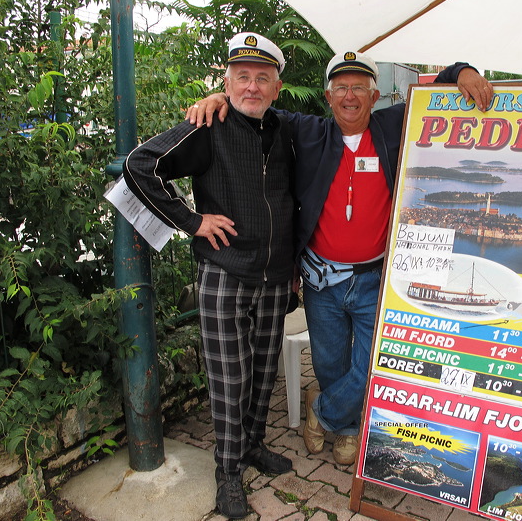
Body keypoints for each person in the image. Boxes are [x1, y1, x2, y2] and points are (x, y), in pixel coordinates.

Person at [187, 52, 493, 466]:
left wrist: (464, 71)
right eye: (341, 88)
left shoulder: (392, 125)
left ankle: (324, 412)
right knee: (331, 361)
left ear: (375, 95)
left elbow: (438, 86)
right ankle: (348, 429)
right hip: (320, 279)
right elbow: (252, 101)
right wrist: (215, 98)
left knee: (373, 364)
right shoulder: (306, 131)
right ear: (328, 97)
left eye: (359, 88)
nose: (350, 97)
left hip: (373, 278)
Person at [123, 32, 296, 519]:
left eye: (262, 78)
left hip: (274, 275)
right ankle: (227, 473)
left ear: (277, 87)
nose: (251, 87)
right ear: (226, 81)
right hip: (223, 270)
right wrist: (192, 221)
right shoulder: (209, 126)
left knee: (263, 372)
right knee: (228, 376)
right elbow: (141, 165)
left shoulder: (284, 130)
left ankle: (253, 444)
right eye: (241, 77)